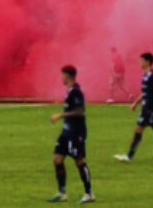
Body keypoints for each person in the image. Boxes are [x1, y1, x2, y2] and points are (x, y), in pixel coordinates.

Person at [115, 52, 153, 164]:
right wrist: (136, 103)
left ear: (147, 62)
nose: (140, 63)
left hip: (149, 109)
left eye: (141, 60)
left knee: (139, 130)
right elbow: (145, 92)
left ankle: (130, 156)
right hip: (146, 107)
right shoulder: (145, 76)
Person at [49, 65, 95, 203]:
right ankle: (62, 193)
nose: (61, 78)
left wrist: (61, 115)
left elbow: (80, 111)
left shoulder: (76, 92)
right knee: (57, 160)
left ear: (67, 76)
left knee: (79, 161)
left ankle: (89, 193)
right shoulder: (69, 91)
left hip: (77, 132)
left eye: (62, 75)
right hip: (66, 132)